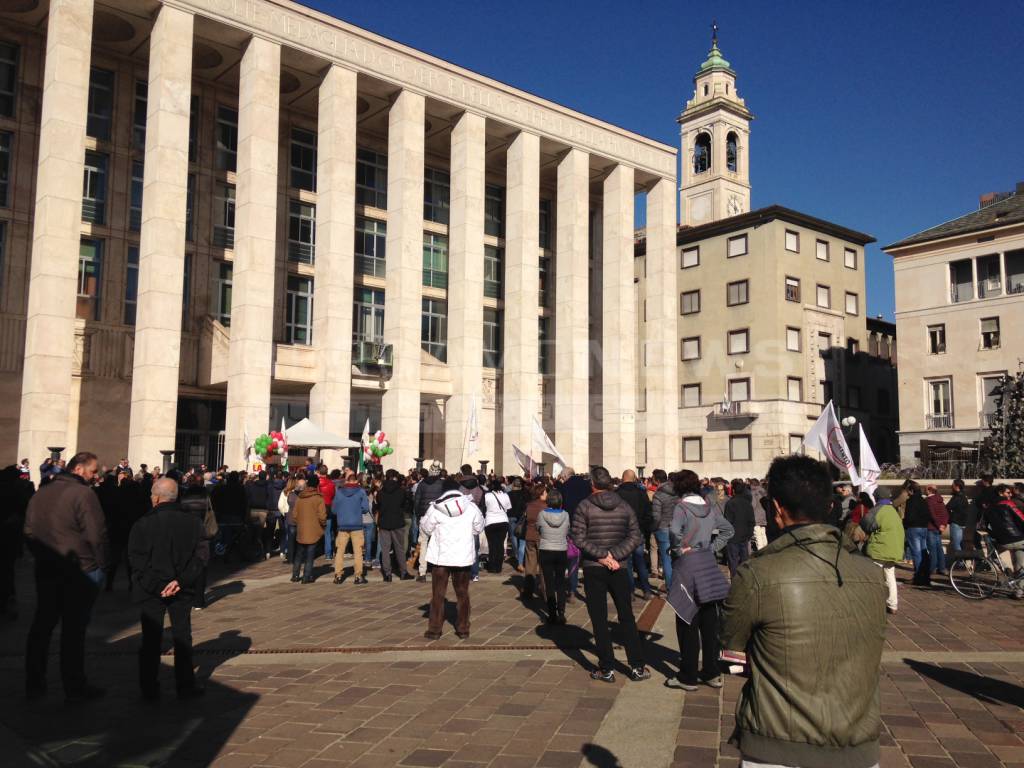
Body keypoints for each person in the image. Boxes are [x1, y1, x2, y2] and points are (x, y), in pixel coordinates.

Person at [721, 455, 886, 768]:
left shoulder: (756, 574)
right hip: (857, 746)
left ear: (778, 510)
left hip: (776, 744)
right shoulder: (873, 574)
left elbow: (731, 653)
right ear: (828, 507)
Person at [23, 451, 109, 702]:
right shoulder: (84, 494)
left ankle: (34, 682)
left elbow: (28, 531)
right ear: (79, 469)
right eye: (94, 471)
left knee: (42, 625)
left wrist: (41, 556)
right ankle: (74, 685)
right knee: (73, 630)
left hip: (48, 568)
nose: (97, 476)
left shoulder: (41, 493)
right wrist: (101, 564)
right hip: (80, 570)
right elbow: (97, 535)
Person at [128, 478, 207, 700]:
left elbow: (136, 559)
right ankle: (185, 684)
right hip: (180, 588)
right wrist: (180, 581)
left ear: (156, 498)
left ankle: (149, 688)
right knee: (182, 636)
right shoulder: (193, 522)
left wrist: (159, 584)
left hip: (152, 590)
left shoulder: (143, 523)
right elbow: (201, 557)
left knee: (151, 639)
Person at [571, 466, 649, 683]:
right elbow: (635, 536)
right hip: (619, 567)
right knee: (626, 616)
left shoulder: (584, 506)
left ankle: (606, 668)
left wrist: (603, 556)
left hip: (596, 566)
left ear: (592, 484)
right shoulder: (624, 506)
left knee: (599, 618)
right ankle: (637, 666)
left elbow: (578, 537)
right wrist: (614, 555)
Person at [664, 470, 734, 691]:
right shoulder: (709, 506)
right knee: (709, 620)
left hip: (687, 566)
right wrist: (712, 548)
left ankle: (688, 675)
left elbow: (674, 532)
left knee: (687, 620)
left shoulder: (681, 508)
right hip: (708, 563)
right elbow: (728, 530)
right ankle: (712, 672)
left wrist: (678, 550)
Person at [421, 479, 484, 640]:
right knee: (463, 594)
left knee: (438, 594)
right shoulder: (470, 507)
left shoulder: (435, 508)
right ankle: (463, 628)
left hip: (441, 558)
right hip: (462, 557)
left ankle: (435, 629)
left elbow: (426, 529)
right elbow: (479, 527)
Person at [616, 470, 656, 600]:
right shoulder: (641, 493)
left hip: (623, 532)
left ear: (623, 479)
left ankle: (631, 591)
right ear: (634, 479)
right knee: (640, 560)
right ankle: (647, 590)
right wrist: (643, 528)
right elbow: (648, 513)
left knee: (627, 561)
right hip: (637, 530)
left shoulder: (616, 493)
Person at [178, 473, 216, 609]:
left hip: (186, 534)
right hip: (202, 534)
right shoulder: (206, 496)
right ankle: (198, 600)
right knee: (202, 566)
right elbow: (209, 514)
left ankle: (187, 595)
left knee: (186, 564)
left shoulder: (184, 495)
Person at [863, 490, 905, 614]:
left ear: (877, 497)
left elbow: (867, 524)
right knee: (890, 576)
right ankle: (893, 604)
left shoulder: (877, 510)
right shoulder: (893, 511)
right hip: (894, 549)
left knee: (873, 576)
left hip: (879, 549)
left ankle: (872, 603)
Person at [536, 488, 570, 625]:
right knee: (560, 583)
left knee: (549, 583)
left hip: (546, 549)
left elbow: (538, 529)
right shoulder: (566, 515)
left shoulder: (542, 514)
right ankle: (561, 613)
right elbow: (568, 529)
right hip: (561, 549)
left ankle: (552, 613)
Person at [332, 471, 370, 585]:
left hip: (342, 525)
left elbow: (333, 510)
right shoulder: (361, 492)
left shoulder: (339, 492)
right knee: (358, 551)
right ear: (356, 480)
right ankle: (358, 576)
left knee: (340, 551)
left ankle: (338, 575)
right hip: (357, 525)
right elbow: (365, 508)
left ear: (346, 480)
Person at [377, 470, 414, 582]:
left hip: (384, 522)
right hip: (397, 522)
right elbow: (405, 505)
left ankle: (387, 574)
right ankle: (403, 572)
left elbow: (378, 505)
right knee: (399, 549)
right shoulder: (401, 491)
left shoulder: (380, 492)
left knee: (385, 549)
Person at [409, 464, 445, 580]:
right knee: (439, 543)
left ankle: (422, 571)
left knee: (423, 543)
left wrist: (418, 515)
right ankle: (439, 568)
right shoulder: (442, 484)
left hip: (424, 517)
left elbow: (417, 501)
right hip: (438, 517)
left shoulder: (422, 484)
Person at [291, 475, 326, 583]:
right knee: (310, 555)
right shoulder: (318, 498)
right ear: (316, 484)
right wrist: (322, 525)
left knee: (299, 553)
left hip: (301, 529)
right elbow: (322, 516)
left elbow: (295, 515)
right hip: (314, 530)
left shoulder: (300, 497)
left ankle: (295, 575)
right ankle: (306, 576)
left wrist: (300, 523)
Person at [985, 485, 1024, 578]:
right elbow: (1021, 519)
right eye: (1008, 492)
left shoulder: (988, 508)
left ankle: (1006, 569)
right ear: (1000, 493)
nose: (1011, 494)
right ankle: (1019, 591)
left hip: (1002, 541)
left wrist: (995, 535)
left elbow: (983, 526)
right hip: (1019, 539)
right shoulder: (1009, 503)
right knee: (1020, 567)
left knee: (992, 555)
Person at [651, 469, 678, 591]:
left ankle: (670, 587)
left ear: (656, 479)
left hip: (663, 528)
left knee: (666, 558)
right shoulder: (677, 491)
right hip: (676, 527)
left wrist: (653, 528)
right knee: (676, 557)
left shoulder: (658, 494)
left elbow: (656, 517)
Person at [723, 479, 754, 578]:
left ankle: (735, 581)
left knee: (733, 562)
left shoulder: (730, 503)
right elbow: (752, 521)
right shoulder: (748, 504)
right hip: (744, 536)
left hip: (733, 537)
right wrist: (749, 534)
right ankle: (744, 579)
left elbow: (727, 522)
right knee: (744, 560)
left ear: (733, 491)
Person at [903, 482, 931, 581]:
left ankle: (918, 577)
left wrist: (905, 523)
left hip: (913, 528)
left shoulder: (911, 501)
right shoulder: (923, 500)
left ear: (911, 491)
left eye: (908, 491)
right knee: (924, 552)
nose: (907, 493)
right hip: (923, 528)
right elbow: (928, 515)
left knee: (916, 553)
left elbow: (909, 517)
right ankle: (926, 575)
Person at [483, 479, 512, 573]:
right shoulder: (505, 495)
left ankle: (492, 566)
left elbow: (484, 507)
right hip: (503, 521)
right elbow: (508, 508)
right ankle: (498, 566)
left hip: (490, 521)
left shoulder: (487, 495)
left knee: (492, 545)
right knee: (500, 544)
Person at [924, 485, 949, 576]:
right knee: (939, 549)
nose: (924, 490)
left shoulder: (928, 501)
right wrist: (943, 525)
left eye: (926, 489)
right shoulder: (940, 500)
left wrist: (938, 525)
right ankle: (942, 568)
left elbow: (932, 515)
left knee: (932, 549)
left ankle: (932, 568)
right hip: (939, 528)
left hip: (931, 527)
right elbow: (946, 514)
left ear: (930, 490)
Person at [946, 479, 973, 554]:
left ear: (957, 486)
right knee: (961, 543)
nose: (951, 486)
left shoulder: (957, 497)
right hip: (963, 522)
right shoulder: (964, 496)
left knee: (956, 544)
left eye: (953, 485)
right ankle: (962, 561)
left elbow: (948, 507)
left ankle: (960, 562)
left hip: (956, 522)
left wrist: (950, 515)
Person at [318, 466, 337, 562]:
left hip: (317, 508)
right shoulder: (331, 483)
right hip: (328, 508)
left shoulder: (316, 483)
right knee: (328, 532)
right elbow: (333, 496)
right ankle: (328, 554)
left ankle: (315, 552)